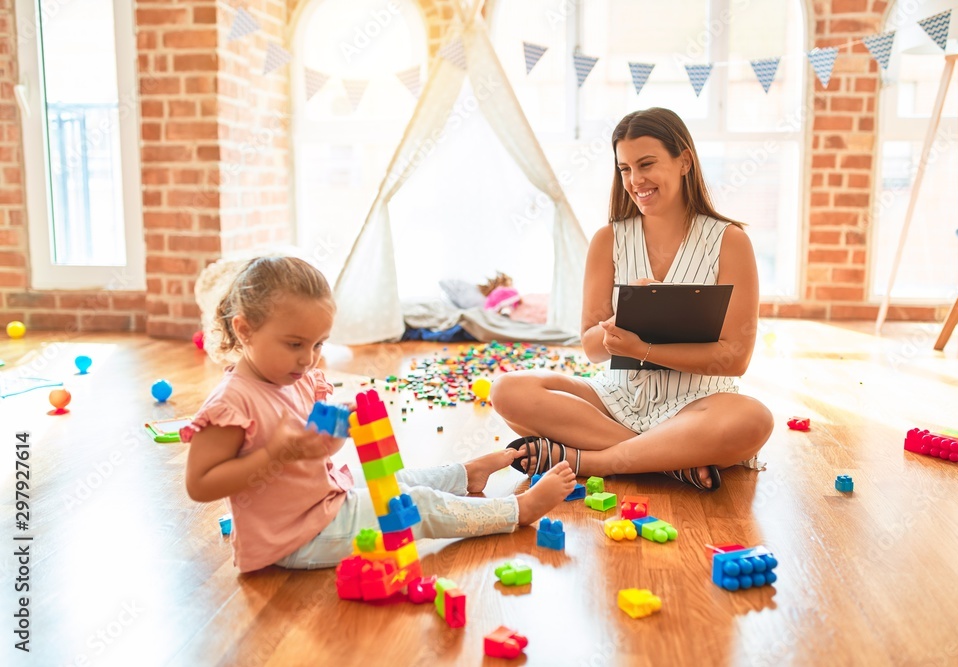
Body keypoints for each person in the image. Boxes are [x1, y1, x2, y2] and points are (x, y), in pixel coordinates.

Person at [183, 256, 576, 573]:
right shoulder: (232, 404)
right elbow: (200, 485)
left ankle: (465, 474)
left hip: (320, 499)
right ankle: (514, 511)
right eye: (294, 344)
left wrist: (336, 426)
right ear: (245, 330)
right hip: (297, 537)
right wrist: (274, 455)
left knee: (394, 479)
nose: (307, 358)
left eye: (319, 343)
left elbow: (318, 451)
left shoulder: (294, 377)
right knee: (413, 506)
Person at [491, 108, 774, 491]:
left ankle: (594, 461)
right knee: (508, 390)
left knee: (753, 419)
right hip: (616, 400)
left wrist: (645, 349)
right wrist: (622, 321)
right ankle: (672, 461)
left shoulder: (729, 241)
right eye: (625, 169)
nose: (636, 180)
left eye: (646, 164)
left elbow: (735, 359)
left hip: (698, 406)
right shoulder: (608, 240)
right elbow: (591, 348)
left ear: (684, 161)